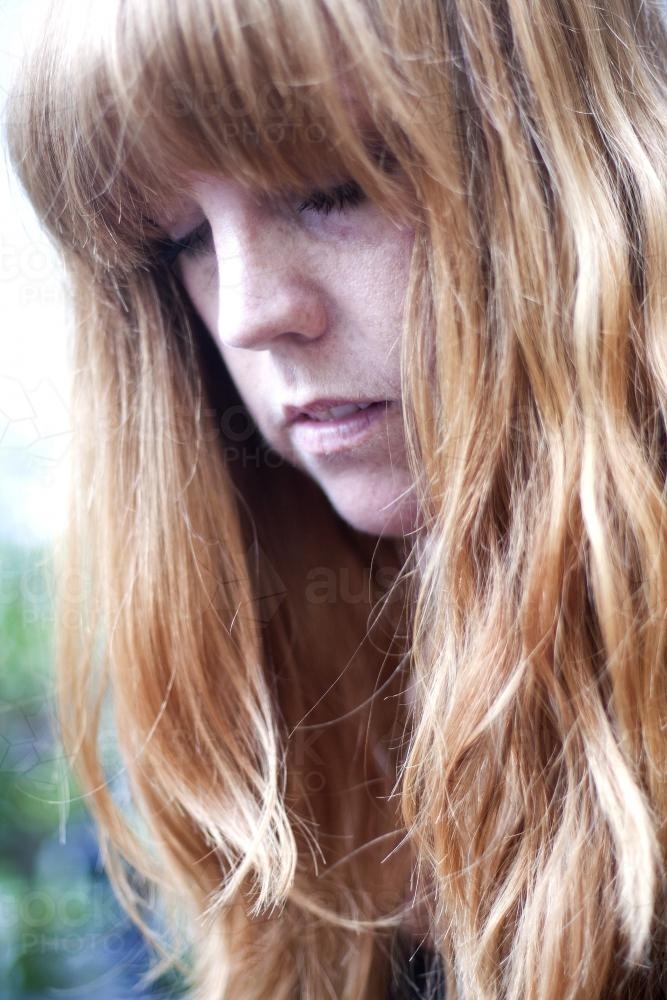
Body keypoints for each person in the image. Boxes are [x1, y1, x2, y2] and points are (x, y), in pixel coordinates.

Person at [6, 0, 666, 997]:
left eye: (331, 188)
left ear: (571, 160)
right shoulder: (283, 694)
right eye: (180, 239)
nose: (249, 312)